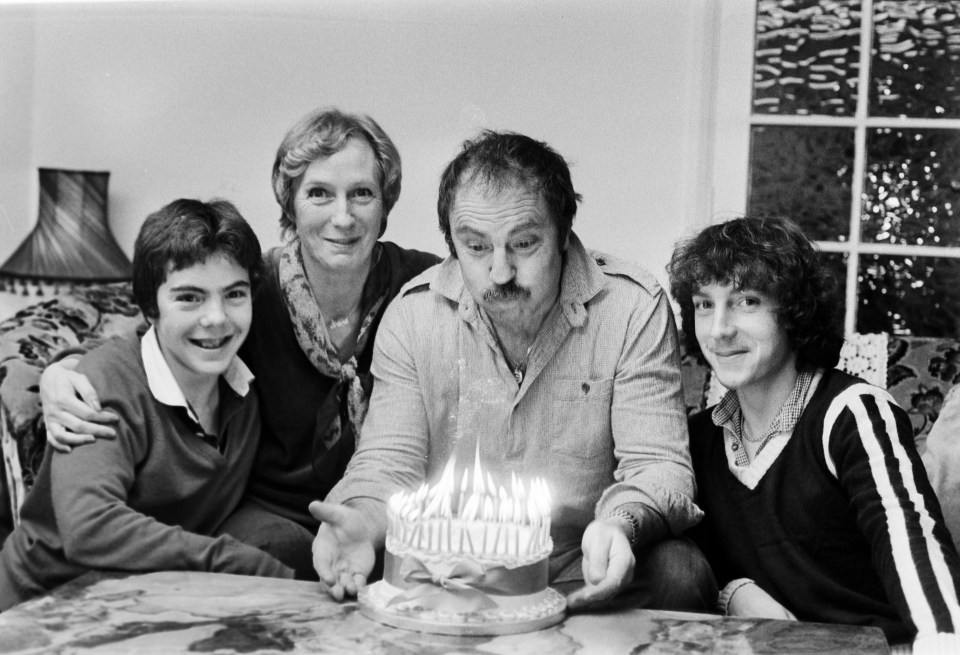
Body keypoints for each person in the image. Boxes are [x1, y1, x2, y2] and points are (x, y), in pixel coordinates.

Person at [308, 130, 713, 611]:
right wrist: (363, 519)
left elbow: (659, 465)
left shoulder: (630, 308)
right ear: (452, 243)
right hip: (452, 576)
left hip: (586, 568)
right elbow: (387, 463)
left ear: (563, 234)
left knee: (680, 569)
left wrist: (620, 524)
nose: (499, 271)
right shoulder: (415, 317)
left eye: (523, 244)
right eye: (475, 247)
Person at [38, 108, 441, 579]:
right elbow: (156, 331)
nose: (343, 216)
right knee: (280, 552)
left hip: (380, 504)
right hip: (270, 516)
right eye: (319, 194)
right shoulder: (252, 289)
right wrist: (62, 370)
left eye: (362, 194)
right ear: (290, 206)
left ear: (385, 204)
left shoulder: (419, 283)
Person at [667, 216, 960, 651]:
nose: (719, 330)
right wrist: (734, 592)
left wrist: (943, 642)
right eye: (705, 304)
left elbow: (909, 536)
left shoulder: (853, 413)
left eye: (746, 301)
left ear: (793, 310)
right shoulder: (699, 437)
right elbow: (690, 555)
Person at [0, 199, 293, 611]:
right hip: (41, 604)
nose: (216, 318)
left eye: (234, 295)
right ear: (151, 307)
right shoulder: (101, 384)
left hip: (143, 602)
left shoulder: (244, 393)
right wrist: (235, 561)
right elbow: (89, 527)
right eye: (190, 298)